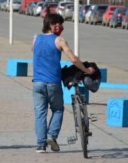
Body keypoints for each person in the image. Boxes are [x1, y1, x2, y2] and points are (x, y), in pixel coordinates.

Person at [31, 13, 95, 153]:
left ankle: (41, 145)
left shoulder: (36, 39)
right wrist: (86, 69)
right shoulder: (59, 40)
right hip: (53, 83)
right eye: (57, 23)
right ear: (50, 24)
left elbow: (35, 51)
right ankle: (52, 136)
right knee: (58, 109)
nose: (59, 26)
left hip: (37, 83)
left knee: (40, 114)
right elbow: (73, 59)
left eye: (60, 24)